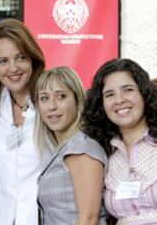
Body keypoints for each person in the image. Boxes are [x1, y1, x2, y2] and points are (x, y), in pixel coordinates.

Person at [83, 58, 157, 224]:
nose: (119, 100)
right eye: (109, 94)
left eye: (128, 90)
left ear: (144, 93)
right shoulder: (104, 152)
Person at [0, 19, 45, 225]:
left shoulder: (50, 106)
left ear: (32, 59)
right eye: (3, 61)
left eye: (20, 58)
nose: (13, 68)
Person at [35, 67, 108, 225]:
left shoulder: (81, 148)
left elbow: (88, 219)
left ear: (77, 101)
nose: (52, 106)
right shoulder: (65, 146)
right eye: (44, 98)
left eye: (61, 96)